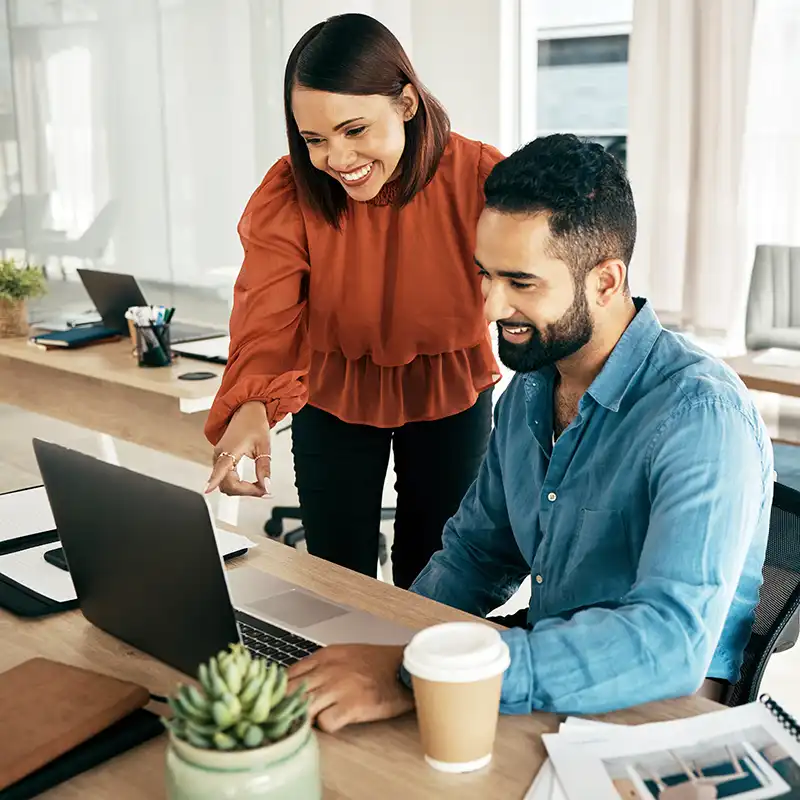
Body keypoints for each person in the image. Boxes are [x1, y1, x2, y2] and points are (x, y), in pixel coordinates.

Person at [285, 134, 774, 733]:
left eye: (521, 282)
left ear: (605, 280)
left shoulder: (701, 414)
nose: (489, 307)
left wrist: (411, 676)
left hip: (657, 719)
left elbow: (667, 643)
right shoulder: (531, 389)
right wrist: (382, 643)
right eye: (485, 276)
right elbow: (476, 554)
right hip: (545, 685)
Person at [203, 14, 504, 589]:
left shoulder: (480, 175)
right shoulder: (292, 190)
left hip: (450, 389)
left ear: (408, 104)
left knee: (437, 576)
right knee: (337, 579)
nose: (336, 158)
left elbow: (534, 276)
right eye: (315, 139)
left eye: (355, 130)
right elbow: (267, 307)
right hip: (332, 391)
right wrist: (252, 405)